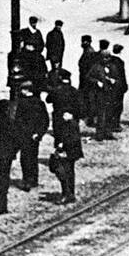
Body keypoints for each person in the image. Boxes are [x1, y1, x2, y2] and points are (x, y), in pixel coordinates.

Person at [47, 72, 83, 204]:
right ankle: (70, 192)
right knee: (70, 165)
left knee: (62, 164)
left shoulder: (57, 91)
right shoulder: (75, 92)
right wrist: (74, 116)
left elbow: (48, 99)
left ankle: (66, 193)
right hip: (74, 133)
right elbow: (82, 109)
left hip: (61, 133)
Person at [14, 80, 50, 191]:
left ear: (26, 90)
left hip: (25, 135)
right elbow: (45, 121)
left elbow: (18, 120)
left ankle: (27, 181)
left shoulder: (21, 103)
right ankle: (34, 180)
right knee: (33, 158)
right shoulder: (39, 103)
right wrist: (39, 134)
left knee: (25, 159)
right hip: (35, 137)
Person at [76, 35, 96, 126]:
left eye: (85, 41)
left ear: (89, 42)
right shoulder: (87, 51)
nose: (83, 43)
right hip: (85, 78)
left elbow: (89, 67)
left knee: (88, 98)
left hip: (86, 79)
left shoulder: (89, 52)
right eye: (82, 41)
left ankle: (89, 117)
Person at [107, 44, 128, 132]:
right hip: (118, 87)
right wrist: (125, 86)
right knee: (118, 106)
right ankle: (115, 124)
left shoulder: (109, 60)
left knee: (111, 105)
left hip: (110, 87)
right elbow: (122, 76)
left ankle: (110, 123)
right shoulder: (120, 62)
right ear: (120, 51)